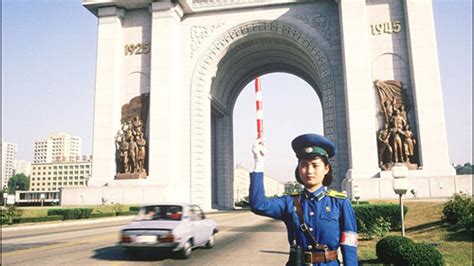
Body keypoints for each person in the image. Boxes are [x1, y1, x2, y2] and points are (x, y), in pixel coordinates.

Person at [249, 133, 358, 265]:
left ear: (326, 169)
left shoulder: (339, 202)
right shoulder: (289, 203)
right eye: (304, 165)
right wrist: (259, 163)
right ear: (299, 169)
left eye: (315, 165)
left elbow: (349, 244)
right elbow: (258, 205)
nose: (309, 171)